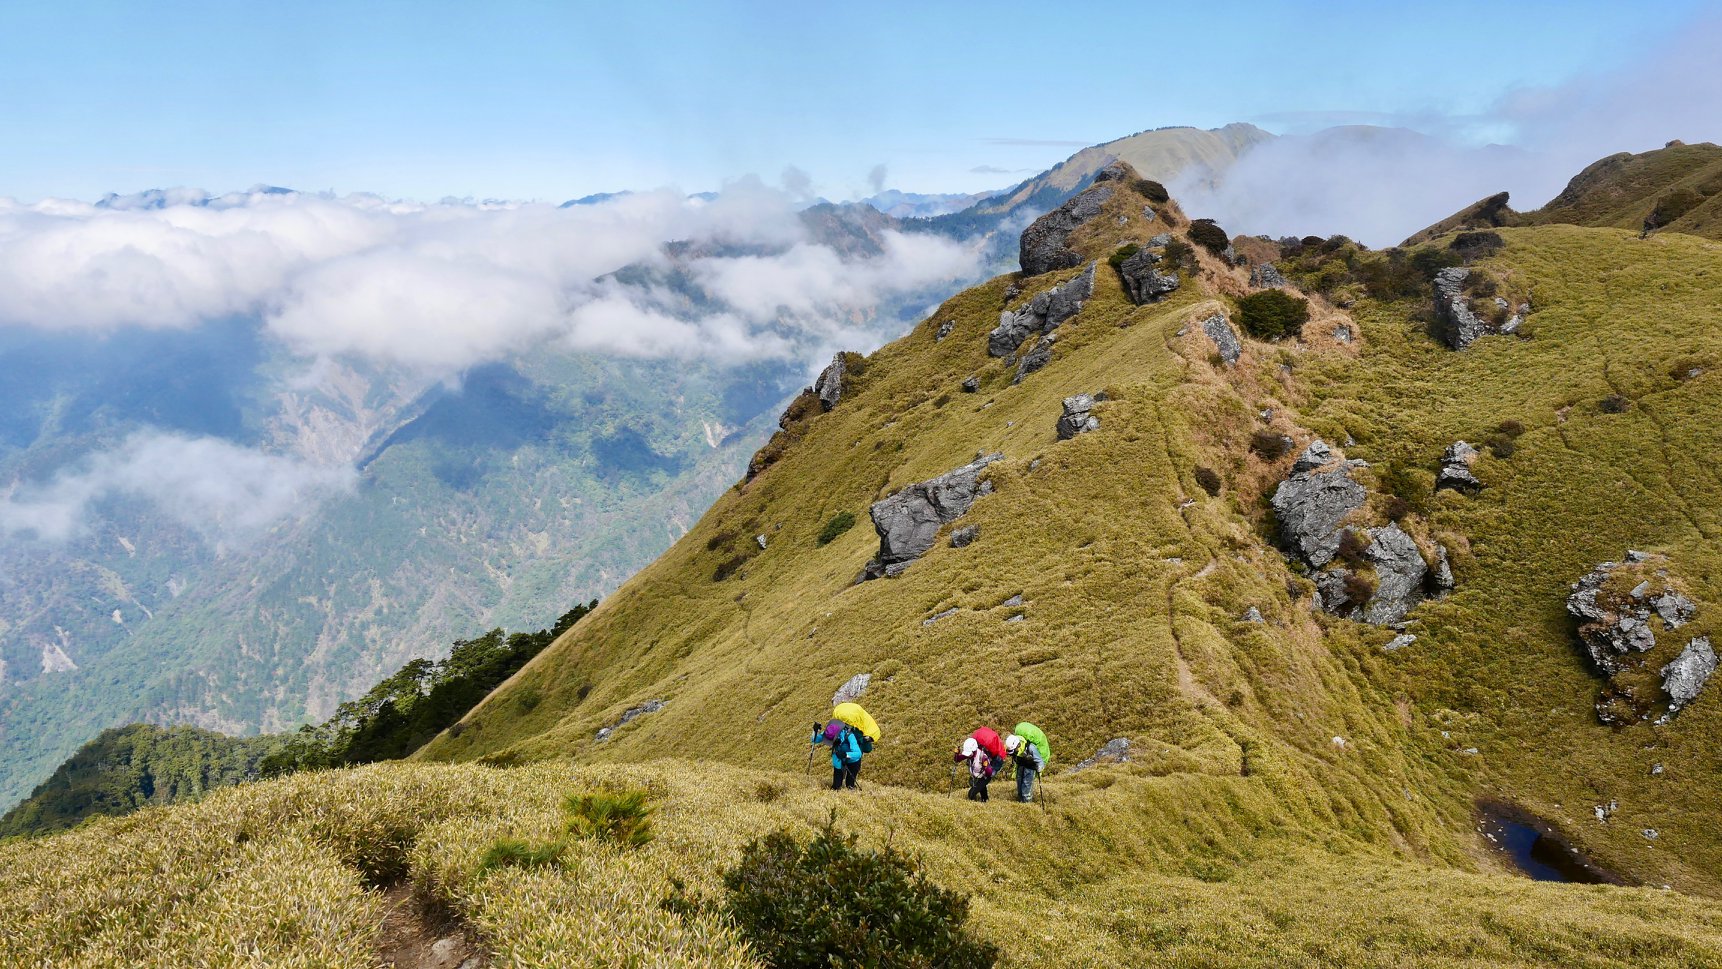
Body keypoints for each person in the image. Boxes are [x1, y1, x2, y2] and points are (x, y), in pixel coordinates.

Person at [813, 719, 863, 790]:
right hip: (838, 760)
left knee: (850, 785)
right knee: (836, 786)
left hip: (853, 761)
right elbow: (814, 740)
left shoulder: (849, 735)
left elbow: (858, 753)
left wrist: (846, 754)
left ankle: (850, 787)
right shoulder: (829, 733)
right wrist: (815, 731)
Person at [1005, 732, 1046, 803]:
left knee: (1026, 787)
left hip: (1030, 768)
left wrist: (1039, 769)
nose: (1013, 753)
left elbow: (1040, 761)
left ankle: (1027, 805)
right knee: (1020, 785)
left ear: (1018, 745)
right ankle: (1021, 802)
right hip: (1020, 766)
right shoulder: (1015, 748)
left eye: (1014, 750)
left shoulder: (1030, 747)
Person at [954, 737, 995, 801]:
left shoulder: (982, 756)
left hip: (984, 777)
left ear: (974, 750)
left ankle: (984, 799)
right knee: (981, 788)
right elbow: (957, 759)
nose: (968, 755)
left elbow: (989, 773)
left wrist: (986, 767)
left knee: (971, 795)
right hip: (976, 776)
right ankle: (985, 799)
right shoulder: (970, 753)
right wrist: (956, 754)